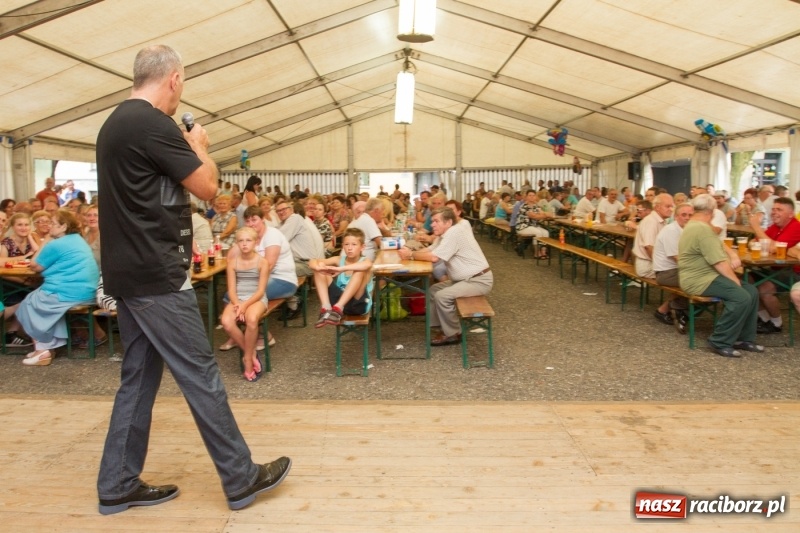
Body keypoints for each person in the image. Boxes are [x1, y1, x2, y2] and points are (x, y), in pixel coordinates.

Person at [95, 44, 290, 516]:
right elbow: (206, 186)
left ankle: (117, 482)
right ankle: (241, 478)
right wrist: (198, 146)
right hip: (158, 275)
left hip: (128, 273)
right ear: (174, 80)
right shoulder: (153, 124)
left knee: (138, 380)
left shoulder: (113, 124)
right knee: (201, 376)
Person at [5, 209, 98, 365]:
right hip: (85, 290)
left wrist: (46, 240)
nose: (49, 227)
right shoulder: (76, 239)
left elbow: (35, 265)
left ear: (63, 226)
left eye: (53, 223)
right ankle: (47, 346)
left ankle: (43, 350)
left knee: (30, 303)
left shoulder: (58, 243)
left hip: (70, 292)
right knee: (32, 299)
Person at [678, 194, 761, 358]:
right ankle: (719, 340)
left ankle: (742, 338)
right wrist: (736, 281)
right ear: (712, 211)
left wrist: (734, 256)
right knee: (741, 296)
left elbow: (718, 246)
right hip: (699, 280)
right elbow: (720, 263)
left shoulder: (696, 225)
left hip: (703, 276)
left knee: (751, 291)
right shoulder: (702, 229)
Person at [397, 207, 492, 346]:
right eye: (432, 221)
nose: (432, 224)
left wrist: (410, 255)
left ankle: (453, 333)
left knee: (443, 296)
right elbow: (429, 250)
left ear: (448, 222)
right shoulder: (444, 234)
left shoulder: (454, 233)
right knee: (434, 290)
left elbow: (434, 258)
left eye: (436, 221)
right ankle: (440, 327)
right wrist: (408, 253)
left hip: (478, 280)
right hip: (464, 279)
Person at [221, 227, 270, 382]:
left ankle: (247, 360)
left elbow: (261, 291)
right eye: (241, 241)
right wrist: (237, 304)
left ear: (256, 243)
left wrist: (245, 305)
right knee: (226, 322)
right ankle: (251, 353)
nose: (244, 244)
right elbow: (231, 289)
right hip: (237, 298)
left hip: (255, 298)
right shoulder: (232, 263)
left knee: (252, 319)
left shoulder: (262, 262)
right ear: (237, 243)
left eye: (248, 240)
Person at [747, 197, 800, 334]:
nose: (774, 212)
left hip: (793, 271)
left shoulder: (796, 227)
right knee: (746, 280)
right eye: (773, 209)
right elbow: (754, 242)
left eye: (779, 210)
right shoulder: (776, 227)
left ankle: (777, 323)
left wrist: (756, 227)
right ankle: (764, 318)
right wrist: (761, 241)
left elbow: (774, 248)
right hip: (774, 268)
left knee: (765, 288)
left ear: (790, 214)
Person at [310, 228, 374, 327]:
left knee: (360, 270)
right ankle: (326, 309)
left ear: (362, 247)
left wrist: (341, 269)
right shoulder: (338, 259)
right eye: (346, 244)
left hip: (357, 305)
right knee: (320, 267)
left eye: (354, 244)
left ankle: (338, 308)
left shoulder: (365, 261)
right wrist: (318, 267)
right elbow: (313, 261)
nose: (349, 248)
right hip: (337, 303)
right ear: (343, 246)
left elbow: (367, 266)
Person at [652, 203, 693, 333]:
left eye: (690, 215)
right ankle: (681, 310)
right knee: (699, 281)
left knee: (700, 278)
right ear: (676, 217)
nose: (687, 218)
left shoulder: (685, 230)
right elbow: (678, 258)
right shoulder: (671, 231)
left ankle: (664, 310)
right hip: (665, 273)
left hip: (676, 270)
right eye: (684, 215)